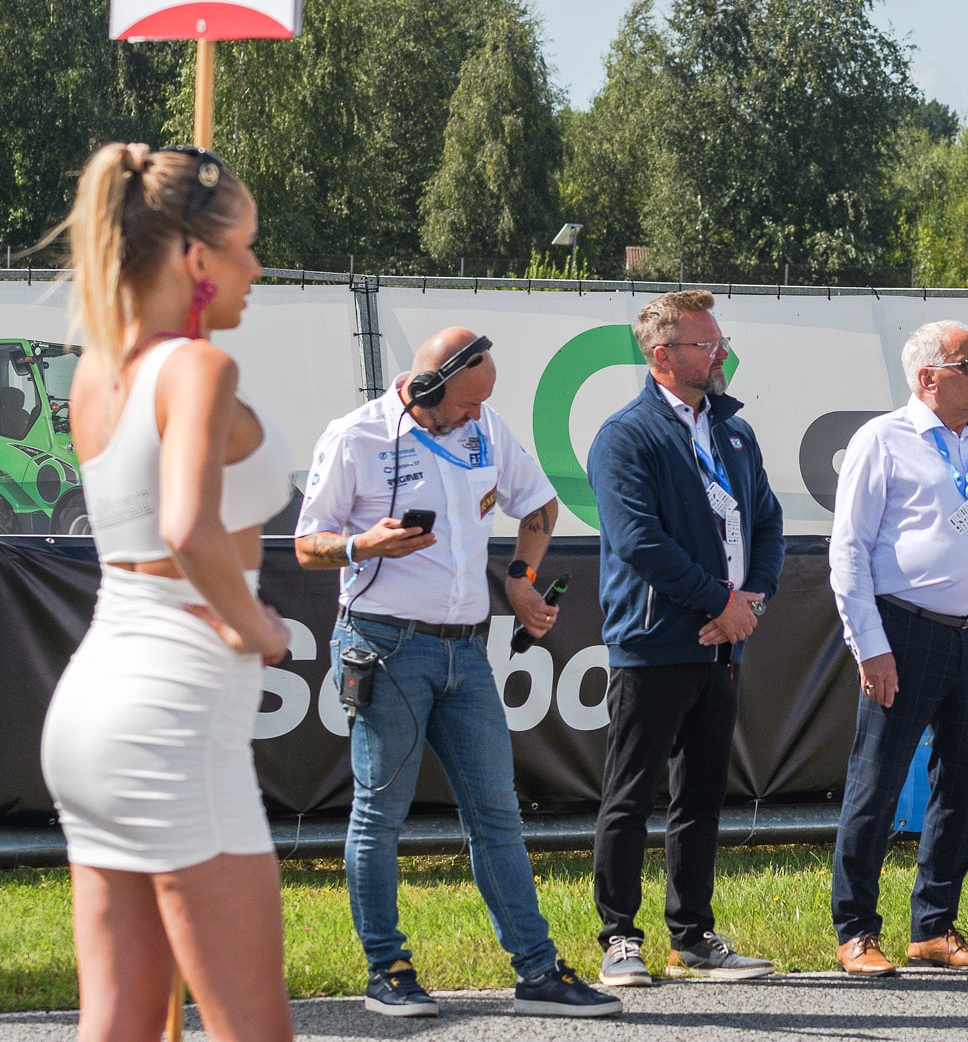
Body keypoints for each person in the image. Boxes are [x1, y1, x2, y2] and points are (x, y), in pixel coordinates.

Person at [40, 143, 295, 1041]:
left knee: (120, 1024)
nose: (256, 269)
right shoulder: (197, 369)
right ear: (195, 257)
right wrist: (257, 626)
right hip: (173, 718)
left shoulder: (98, 370)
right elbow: (186, 528)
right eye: (244, 247)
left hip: (91, 710)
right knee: (254, 1029)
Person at [294, 329, 621, 1017]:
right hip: (383, 645)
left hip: (467, 651)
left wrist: (521, 577)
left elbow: (539, 504)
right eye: (466, 405)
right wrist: (363, 544)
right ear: (427, 387)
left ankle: (537, 972)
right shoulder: (356, 437)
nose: (476, 416)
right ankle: (387, 970)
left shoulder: (486, 427)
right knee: (380, 813)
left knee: (497, 814)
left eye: (482, 406)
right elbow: (306, 545)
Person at [588, 291, 784, 984]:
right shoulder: (626, 435)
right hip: (655, 641)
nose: (720, 353)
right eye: (706, 345)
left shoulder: (734, 431)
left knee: (700, 796)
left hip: (724, 641)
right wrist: (719, 601)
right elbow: (639, 541)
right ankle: (619, 937)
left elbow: (767, 520)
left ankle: (693, 935)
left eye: (719, 341)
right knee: (630, 794)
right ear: (661, 356)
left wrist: (751, 600)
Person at [827, 320, 968, 976]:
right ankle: (856, 931)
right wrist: (870, 645)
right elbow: (849, 551)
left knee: (961, 784)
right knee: (877, 781)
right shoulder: (882, 440)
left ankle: (934, 928)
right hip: (904, 632)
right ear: (927, 378)